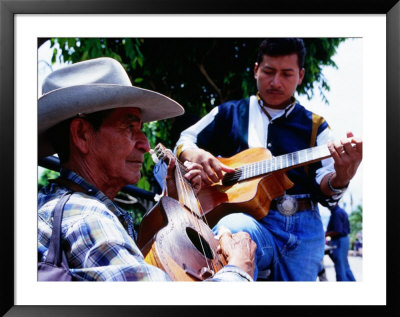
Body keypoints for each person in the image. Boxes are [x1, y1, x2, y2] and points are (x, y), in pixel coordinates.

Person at [37, 57, 256, 281]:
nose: (145, 144)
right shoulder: (86, 218)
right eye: (129, 126)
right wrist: (240, 267)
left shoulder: (60, 203)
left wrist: (172, 204)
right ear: (82, 134)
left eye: (141, 128)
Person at [175, 38, 363, 281]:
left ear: (301, 75)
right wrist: (195, 153)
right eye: (268, 71)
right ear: (255, 70)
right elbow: (185, 139)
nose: (276, 82)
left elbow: (327, 192)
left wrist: (343, 176)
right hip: (248, 221)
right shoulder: (229, 113)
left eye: (287, 74)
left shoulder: (316, 126)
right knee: (233, 230)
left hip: (304, 229)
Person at [326, 204, 356, 281]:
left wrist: (324, 234)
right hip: (343, 240)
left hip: (339, 241)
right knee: (345, 266)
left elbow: (337, 230)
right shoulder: (340, 211)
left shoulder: (337, 213)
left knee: (340, 267)